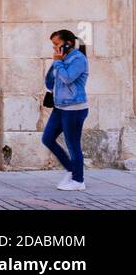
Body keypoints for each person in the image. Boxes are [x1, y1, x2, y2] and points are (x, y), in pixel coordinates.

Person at [42, 29, 89, 190]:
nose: (54, 48)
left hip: (74, 109)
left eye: (56, 44)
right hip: (60, 107)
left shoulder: (79, 59)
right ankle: (72, 169)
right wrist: (56, 63)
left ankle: (78, 180)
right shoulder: (62, 59)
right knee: (47, 138)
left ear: (67, 43)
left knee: (73, 144)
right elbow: (50, 82)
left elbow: (68, 78)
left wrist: (58, 62)